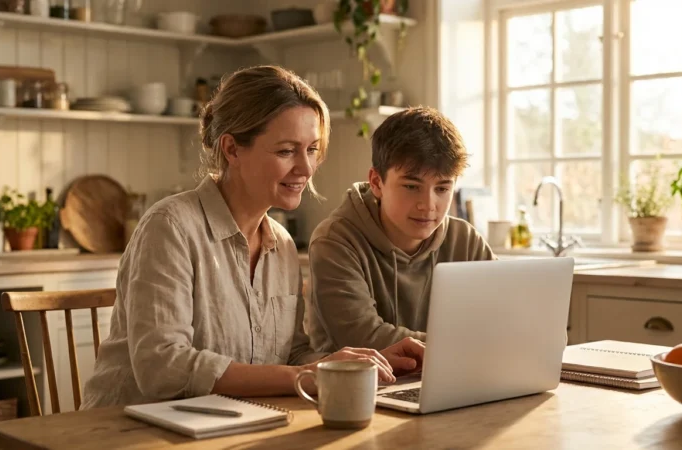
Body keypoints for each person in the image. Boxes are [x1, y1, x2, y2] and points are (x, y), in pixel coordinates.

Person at [81, 66, 424, 409]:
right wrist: (305, 375)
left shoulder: (282, 244)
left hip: (224, 425)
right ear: (232, 149)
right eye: (287, 151)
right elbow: (162, 368)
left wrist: (353, 365)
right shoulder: (170, 227)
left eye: (312, 150)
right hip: (127, 432)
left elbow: (291, 355)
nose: (305, 168)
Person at [305, 106, 497, 353]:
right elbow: (363, 336)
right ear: (376, 182)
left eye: (442, 189)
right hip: (359, 387)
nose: (428, 205)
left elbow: (501, 320)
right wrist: (467, 346)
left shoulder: (467, 241)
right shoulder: (335, 241)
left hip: (448, 380)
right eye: (411, 186)